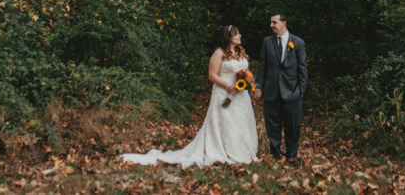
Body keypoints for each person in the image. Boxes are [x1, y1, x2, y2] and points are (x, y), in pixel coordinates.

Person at [120, 25, 258, 168]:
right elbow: (212, 75)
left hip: (240, 95)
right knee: (226, 122)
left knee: (240, 121)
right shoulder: (219, 53)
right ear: (228, 37)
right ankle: (227, 151)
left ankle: (243, 151)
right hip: (224, 93)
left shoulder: (240, 53)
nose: (240, 36)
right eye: (237, 34)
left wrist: (250, 82)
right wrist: (228, 87)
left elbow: (246, 70)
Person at [254, 12, 307, 163]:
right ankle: (275, 156)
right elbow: (262, 66)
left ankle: (292, 156)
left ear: (284, 23)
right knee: (273, 126)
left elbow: (303, 69)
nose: (271, 25)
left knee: (293, 127)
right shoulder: (267, 42)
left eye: (274, 22)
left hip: (292, 93)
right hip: (271, 92)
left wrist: (301, 90)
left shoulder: (298, 43)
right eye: (271, 22)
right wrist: (259, 87)